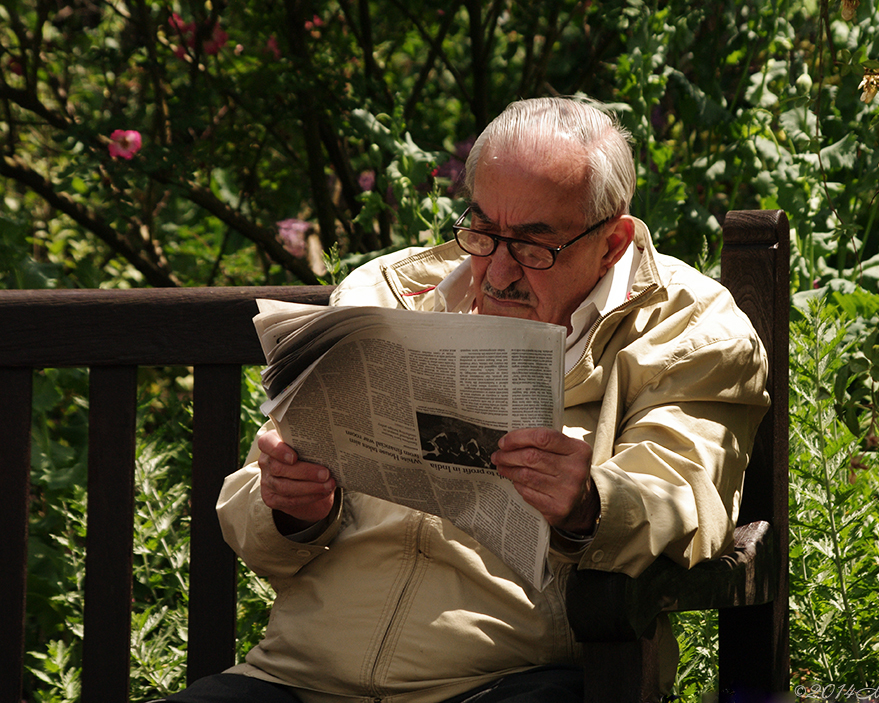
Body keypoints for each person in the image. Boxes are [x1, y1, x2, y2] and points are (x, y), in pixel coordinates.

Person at [164, 96, 770, 703]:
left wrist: (592, 504)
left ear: (611, 243)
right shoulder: (383, 293)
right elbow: (248, 516)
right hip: (299, 679)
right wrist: (292, 507)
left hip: (507, 683)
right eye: (482, 232)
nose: (499, 271)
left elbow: (685, 501)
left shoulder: (687, 327)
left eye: (535, 247)